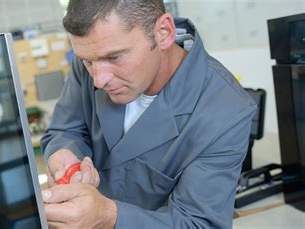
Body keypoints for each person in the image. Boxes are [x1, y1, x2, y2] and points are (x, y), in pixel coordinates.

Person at [40, 0, 257, 228]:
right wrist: (65, 154)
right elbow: (65, 130)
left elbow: (198, 224)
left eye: (115, 57)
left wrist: (109, 217)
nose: (98, 79)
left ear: (163, 33)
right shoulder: (95, 55)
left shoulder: (226, 110)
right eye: (87, 62)